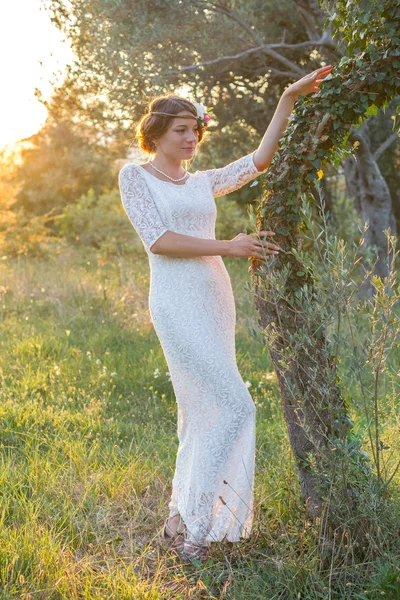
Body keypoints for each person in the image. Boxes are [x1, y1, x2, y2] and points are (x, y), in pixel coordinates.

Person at [118, 65, 333, 562]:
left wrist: (286, 98)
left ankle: (177, 515)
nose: (192, 138)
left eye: (196, 130)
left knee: (200, 411)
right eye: (181, 131)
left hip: (215, 300)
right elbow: (159, 241)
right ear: (156, 134)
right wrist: (230, 246)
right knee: (237, 406)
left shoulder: (202, 182)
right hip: (175, 300)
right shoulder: (135, 176)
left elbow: (258, 160)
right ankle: (196, 528)